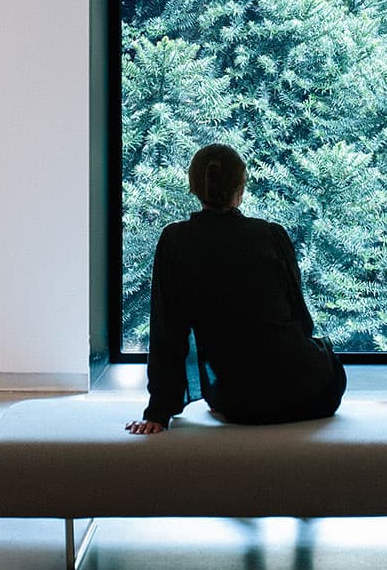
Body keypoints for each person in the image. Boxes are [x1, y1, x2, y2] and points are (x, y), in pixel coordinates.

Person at [126, 143, 347, 434]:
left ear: (193, 187)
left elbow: (167, 331)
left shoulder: (176, 241)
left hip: (237, 403)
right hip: (311, 393)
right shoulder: (271, 235)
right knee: (325, 356)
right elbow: (302, 321)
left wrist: (158, 411)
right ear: (240, 188)